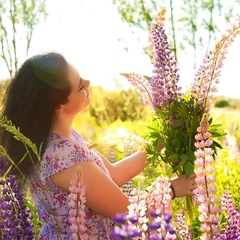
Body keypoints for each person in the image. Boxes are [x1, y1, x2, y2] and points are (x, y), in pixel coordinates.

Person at [0, 52, 196, 239]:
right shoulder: (61, 154)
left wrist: (160, 141)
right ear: (58, 105)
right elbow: (126, 213)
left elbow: (111, 175)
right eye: (79, 86)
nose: (88, 83)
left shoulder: (63, 139)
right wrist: (171, 189)